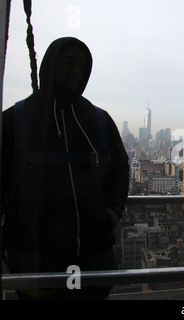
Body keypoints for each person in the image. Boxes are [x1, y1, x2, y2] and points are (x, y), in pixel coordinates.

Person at [1, 37, 130, 299]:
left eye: (82, 66)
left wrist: (113, 211)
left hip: (94, 259)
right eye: (69, 63)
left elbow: (120, 165)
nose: (76, 71)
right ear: (50, 65)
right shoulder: (15, 120)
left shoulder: (99, 120)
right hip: (35, 259)